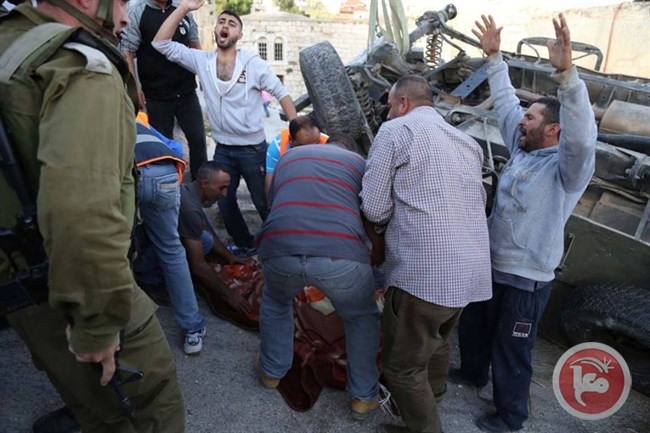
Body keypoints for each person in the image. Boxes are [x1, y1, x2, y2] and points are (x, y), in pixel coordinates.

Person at [0, 0, 185, 431]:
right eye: (120, 2)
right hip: (82, 287)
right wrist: (99, 325)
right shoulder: (78, 65)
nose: (123, 17)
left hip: (24, 294)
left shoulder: (10, 46)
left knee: (95, 412)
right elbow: (83, 213)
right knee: (149, 412)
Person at [449, 14, 597, 433]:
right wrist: (494, 58)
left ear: (553, 129)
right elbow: (507, 104)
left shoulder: (567, 169)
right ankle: (473, 373)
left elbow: (584, 137)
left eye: (531, 118)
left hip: (527, 279)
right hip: (492, 265)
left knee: (513, 348)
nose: (521, 121)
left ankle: (511, 416)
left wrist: (567, 76)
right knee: (475, 328)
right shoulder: (523, 149)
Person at [360, 75, 492, 433]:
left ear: (403, 103)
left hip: (425, 275)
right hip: (469, 274)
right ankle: (425, 411)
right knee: (436, 346)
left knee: (401, 368)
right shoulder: (467, 142)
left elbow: (373, 207)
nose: (387, 114)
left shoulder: (396, 131)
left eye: (389, 106)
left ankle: (425, 427)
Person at [152, 2, 298, 256]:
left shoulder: (253, 63)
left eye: (232, 24)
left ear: (239, 35)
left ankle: (282, 249)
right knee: (226, 204)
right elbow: (160, 43)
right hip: (223, 150)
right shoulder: (202, 60)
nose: (225, 26)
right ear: (215, 31)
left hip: (253, 149)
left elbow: (282, 95)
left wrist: (296, 134)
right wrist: (184, 8)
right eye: (221, 22)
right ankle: (246, 246)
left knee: (265, 202)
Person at [256, 139, 382, 419]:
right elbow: (370, 214)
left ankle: (271, 373)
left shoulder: (289, 157)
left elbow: (272, 201)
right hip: (339, 255)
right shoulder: (359, 164)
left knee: (276, 302)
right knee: (360, 316)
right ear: (348, 150)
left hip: (279, 245)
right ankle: (363, 397)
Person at [133, 117, 207, 355]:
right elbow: (175, 147)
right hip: (167, 168)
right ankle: (193, 330)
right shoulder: (136, 117)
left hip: (131, 171)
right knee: (171, 250)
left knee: (114, 251)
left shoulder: (82, 116)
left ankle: (126, 333)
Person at [121, 0, 207, 180]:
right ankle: (169, 183)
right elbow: (128, 51)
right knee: (163, 143)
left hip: (186, 90)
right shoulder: (138, 11)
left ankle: (201, 184)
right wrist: (134, 86)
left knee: (198, 139)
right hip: (156, 93)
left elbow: (194, 43)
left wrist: (205, 75)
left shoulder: (182, 8)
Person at [178, 161, 252, 316]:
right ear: (204, 184)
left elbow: (206, 227)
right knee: (203, 242)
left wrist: (229, 256)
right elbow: (199, 266)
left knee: (206, 236)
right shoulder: (190, 209)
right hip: (152, 254)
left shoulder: (190, 193)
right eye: (221, 188)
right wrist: (229, 294)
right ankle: (156, 279)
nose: (224, 194)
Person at [264, 115, 328, 196]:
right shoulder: (277, 147)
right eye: (305, 146)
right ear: (291, 140)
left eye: (316, 143)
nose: (312, 150)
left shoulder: (329, 143)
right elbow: (270, 183)